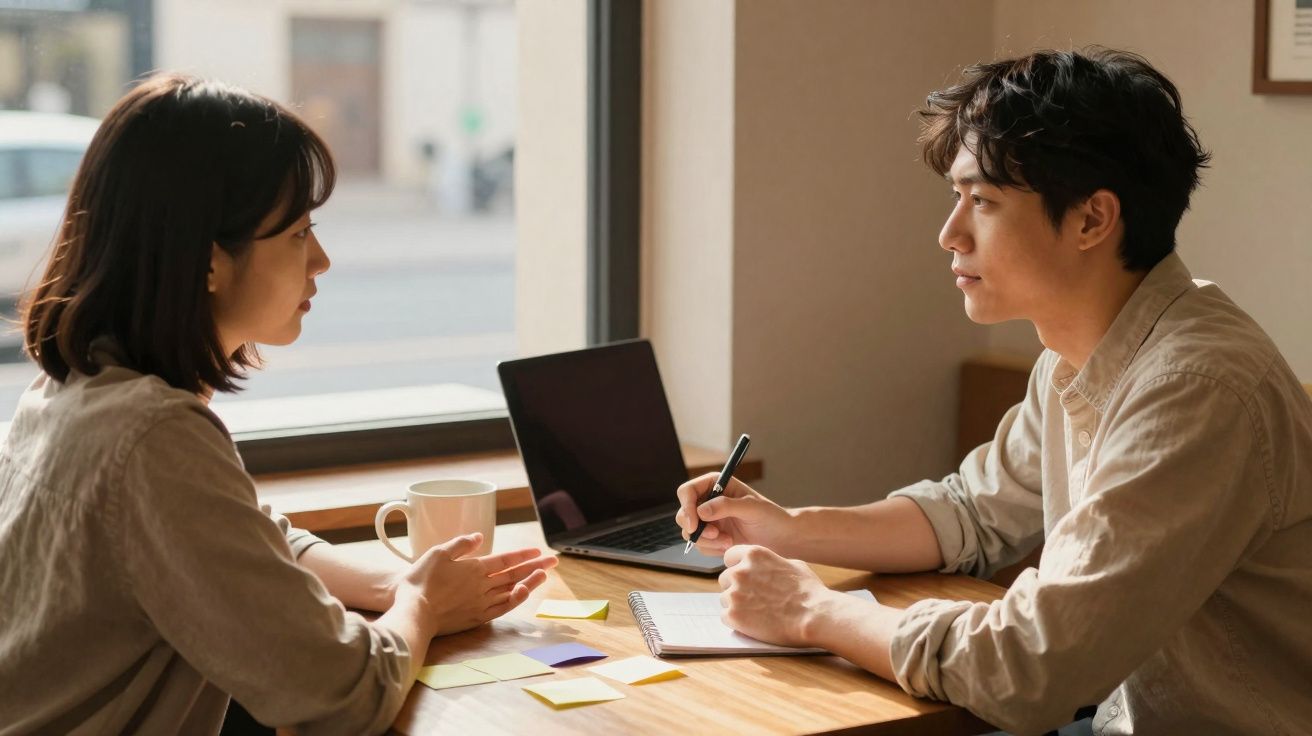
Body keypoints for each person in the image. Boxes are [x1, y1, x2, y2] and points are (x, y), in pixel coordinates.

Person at [676, 48, 1312, 735]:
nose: (950, 234)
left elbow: (1033, 664)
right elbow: (974, 513)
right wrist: (792, 529)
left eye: (983, 201)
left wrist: (814, 611)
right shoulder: (1084, 350)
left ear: (1093, 220)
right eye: (957, 198)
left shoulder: (1195, 391)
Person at [0, 73, 557, 735]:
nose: (320, 260)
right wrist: (422, 607)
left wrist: (395, 590)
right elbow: (345, 693)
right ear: (211, 262)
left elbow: (248, 537)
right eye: (296, 234)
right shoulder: (152, 438)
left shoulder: (77, 389)